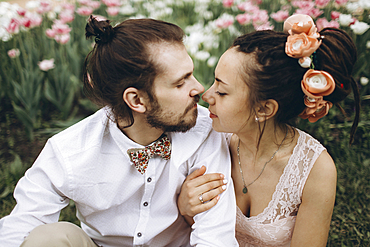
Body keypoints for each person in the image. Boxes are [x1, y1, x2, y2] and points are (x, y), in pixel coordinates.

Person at [0, 16, 238, 247]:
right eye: (180, 82)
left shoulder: (206, 130)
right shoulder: (71, 149)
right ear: (136, 100)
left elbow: (215, 237)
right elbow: (20, 227)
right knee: (49, 239)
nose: (199, 88)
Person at [178, 14, 360, 246]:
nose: (207, 95)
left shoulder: (315, 171)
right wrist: (184, 207)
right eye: (214, 82)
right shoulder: (207, 137)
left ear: (264, 109)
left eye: (222, 92)